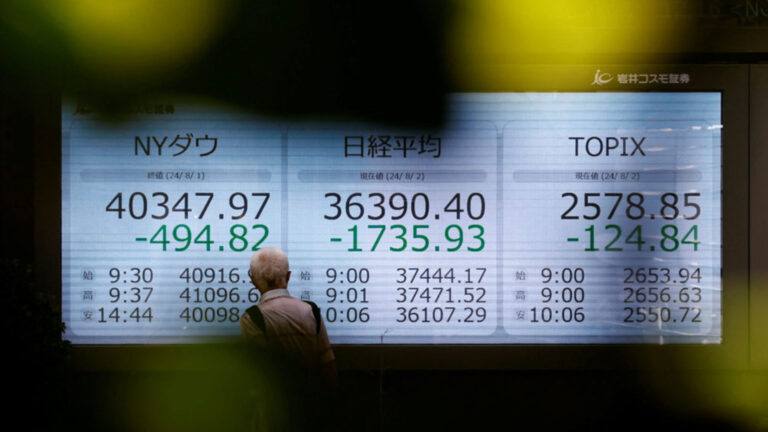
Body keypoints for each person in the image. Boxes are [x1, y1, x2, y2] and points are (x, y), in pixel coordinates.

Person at [240, 247, 336, 381]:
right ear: (288, 276)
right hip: (313, 399)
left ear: (253, 281)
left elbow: (258, 372)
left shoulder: (252, 318)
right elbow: (328, 366)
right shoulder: (311, 311)